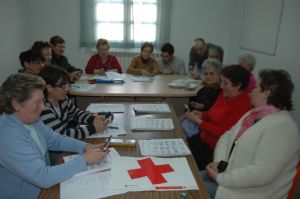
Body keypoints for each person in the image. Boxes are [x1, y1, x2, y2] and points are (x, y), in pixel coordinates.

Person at [0, 73, 108, 199]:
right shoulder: (7, 135)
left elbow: (55, 139)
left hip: (43, 188)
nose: (43, 107)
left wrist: (86, 147)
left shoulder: (30, 118)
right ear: (16, 104)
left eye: (43, 101)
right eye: (38, 102)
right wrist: (84, 160)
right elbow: (43, 177)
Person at [203, 69, 300, 199]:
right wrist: (218, 163)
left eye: (255, 88)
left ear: (266, 93)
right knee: (188, 179)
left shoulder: (283, 128)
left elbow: (261, 174)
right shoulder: (254, 114)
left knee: (189, 189)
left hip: (250, 193)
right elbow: (227, 136)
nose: (251, 91)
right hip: (228, 178)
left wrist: (220, 178)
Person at [182, 65, 252, 170]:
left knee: (185, 163)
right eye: (221, 82)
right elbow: (212, 113)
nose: (221, 86)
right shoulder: (225, 94)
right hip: (204, 138)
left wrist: (198, 121)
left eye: (225, 83)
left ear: (238, 85)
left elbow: (223, 132)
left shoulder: (244, 105)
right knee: (180, 148)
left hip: (214, 148)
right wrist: (201, 114)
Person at [40, 65, 108, 139]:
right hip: (56, 148)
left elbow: (76, 114)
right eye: (62, 86)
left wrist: (94, 119)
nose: (67, 89)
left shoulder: (63, 99)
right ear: (49, 88)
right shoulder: (43, 109)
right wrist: (93, 128)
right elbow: (63, 135)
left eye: (67, 84)